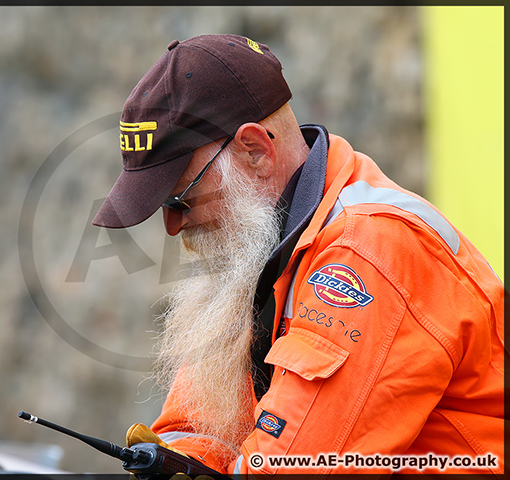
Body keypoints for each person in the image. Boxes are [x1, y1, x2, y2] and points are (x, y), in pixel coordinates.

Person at [92, 34, 505, 475]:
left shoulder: (366, 252)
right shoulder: (258, 248)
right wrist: (175, 465)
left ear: (255, 152)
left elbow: (294, 467)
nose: (173, 227)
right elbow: (195, 430)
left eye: (179, 201)